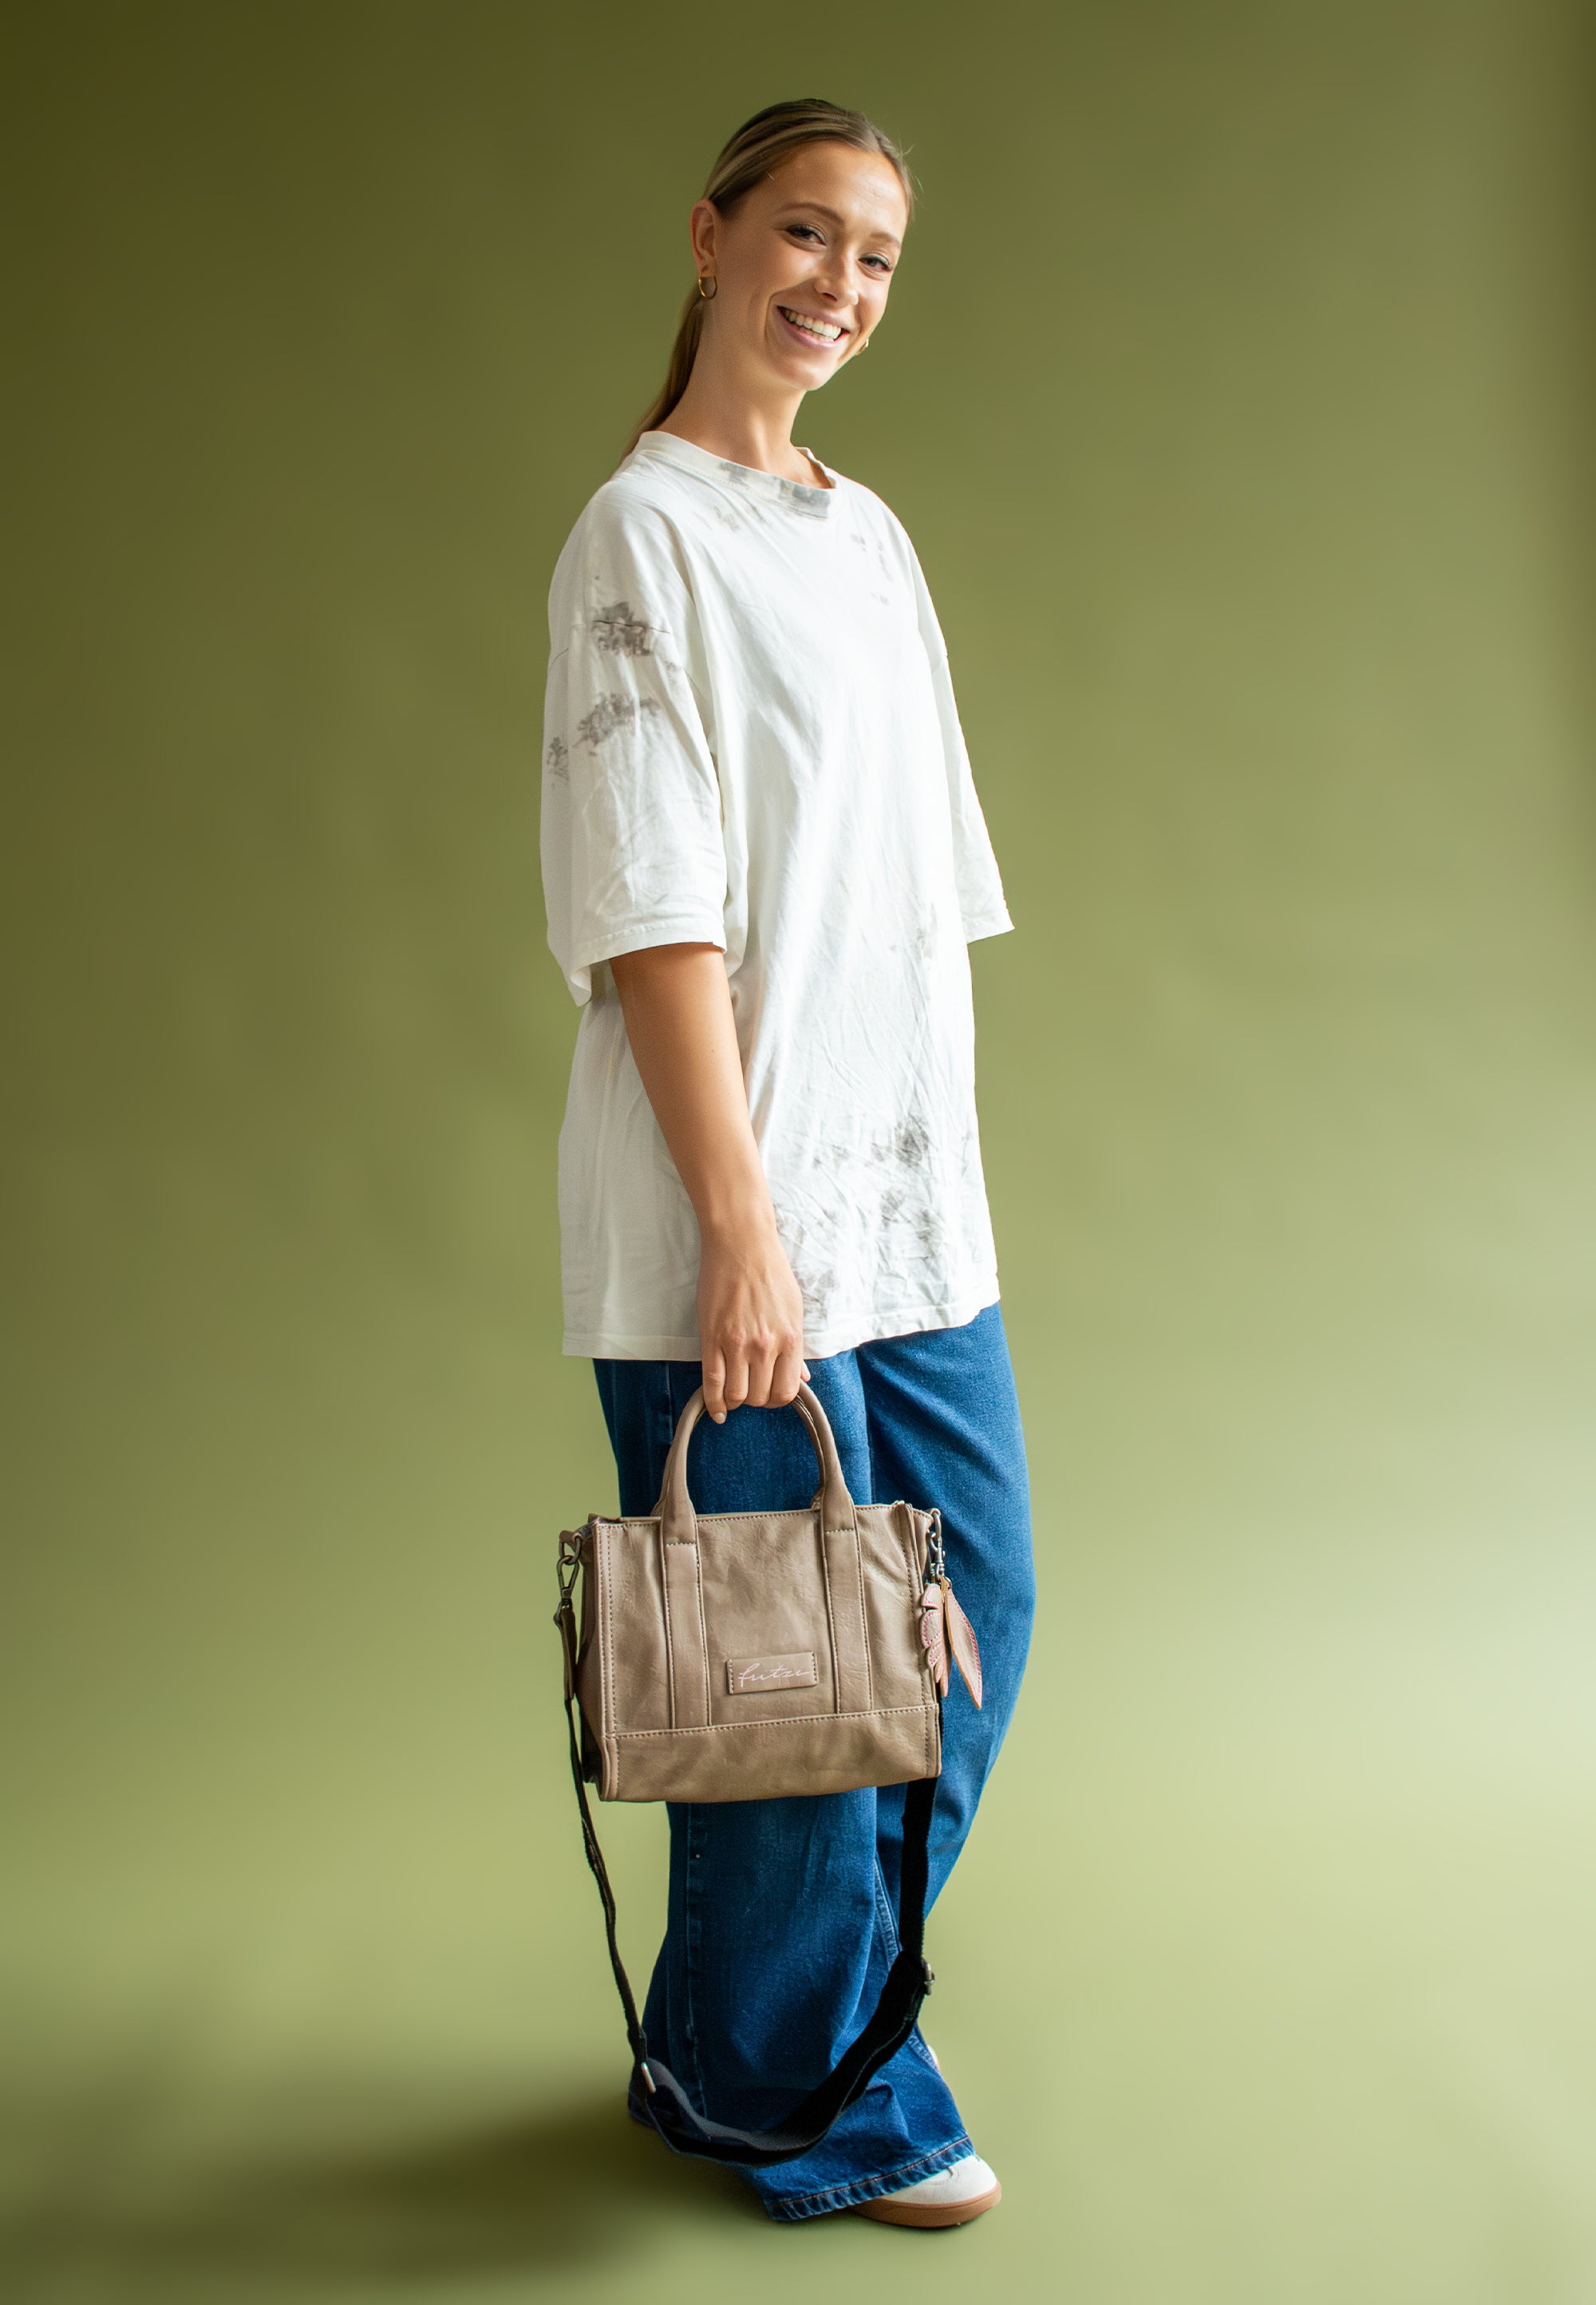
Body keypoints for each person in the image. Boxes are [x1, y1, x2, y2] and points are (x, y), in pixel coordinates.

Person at [539, 97, 1035, 2229]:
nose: (840, 285)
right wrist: (743, 1237)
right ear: (713, 235)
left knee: (970, 1609)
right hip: (729, 1213)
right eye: (808, 234)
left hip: (908, 1209)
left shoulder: (868, 533)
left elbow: (908, 896)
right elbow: (656, 914)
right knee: (784, 1684)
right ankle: (818, 2098)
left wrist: (917, 1193)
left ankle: (735, 2045)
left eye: (878, 256)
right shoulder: (638, 539)